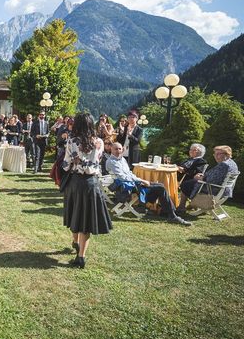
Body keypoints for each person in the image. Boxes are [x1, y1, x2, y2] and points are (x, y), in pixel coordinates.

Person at [61, 113, 113, 268]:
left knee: (75, 213)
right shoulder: (99, 142)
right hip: (93, 183)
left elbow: (65, 164)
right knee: (87, 220)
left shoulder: (72, 141)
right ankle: (81, 256)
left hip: (76, 182)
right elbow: (98, 160)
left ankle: (75, 242)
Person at [106, 142, 191, 225]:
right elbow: (122, 177)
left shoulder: (122, 159)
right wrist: (141, 181)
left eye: (120, 149)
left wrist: (140, 179)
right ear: (111, 149)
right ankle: (172, 215)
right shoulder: (111, 161)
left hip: (133, 182)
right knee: (160, 188)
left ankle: (168, 212)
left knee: (161, 186)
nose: (118, 151)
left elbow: (129, 173)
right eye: (116, 149)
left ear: (122, 149)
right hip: (126, 186)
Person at [178, 145, 239, 213]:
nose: (216, 156)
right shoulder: (232, 163)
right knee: (190, 183)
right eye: (215, 154)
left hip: (212, 189)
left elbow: (211, 180)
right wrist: (203, 176)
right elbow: (216, 176)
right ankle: (193, 205)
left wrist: (201, 177)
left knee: (186, 184)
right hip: (223, 189)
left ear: (227, 155)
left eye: (218, 154)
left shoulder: (224, 165)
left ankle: (182, 207)